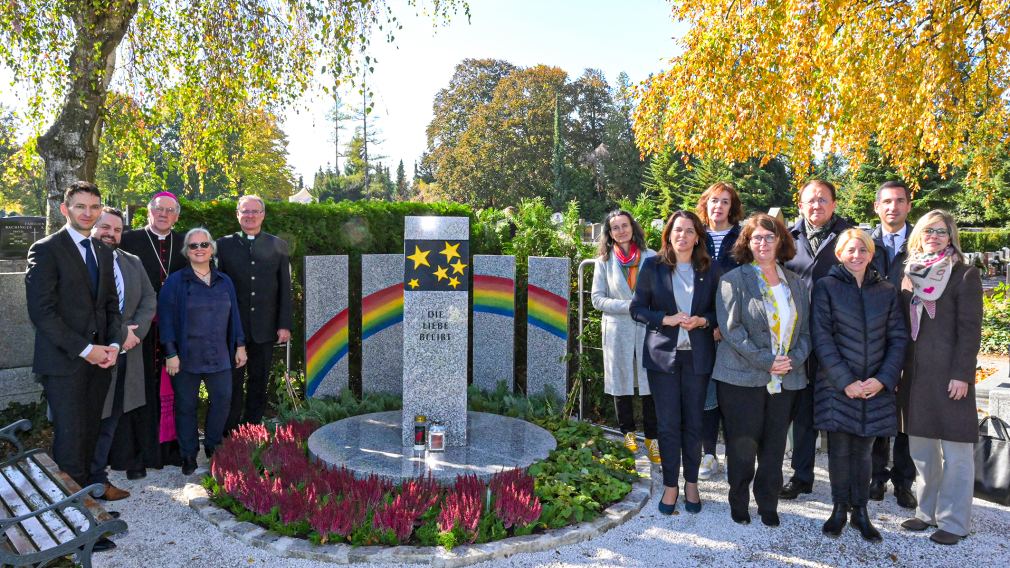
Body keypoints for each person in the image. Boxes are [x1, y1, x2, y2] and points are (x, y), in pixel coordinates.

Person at [24, 182, 122, 552]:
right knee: (69, 441)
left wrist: (111, 345)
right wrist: (86, 350)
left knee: (89, 437)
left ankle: (85, 510)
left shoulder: (103, 250)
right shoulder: (46, 250)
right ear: (65, 209)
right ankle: (76, 528)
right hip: (64, 363)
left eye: (94, 207)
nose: (87, 213)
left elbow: (111, 307)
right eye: (80, 206)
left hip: (100, 362)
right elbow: (42, 313)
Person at [713, 213, 811, 527]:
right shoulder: (733, 280)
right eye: (757, 237)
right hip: (742, 376)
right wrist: (766, 360)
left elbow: (807, 332)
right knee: (743, 444)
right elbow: (732, 330)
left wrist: (793, 358)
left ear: (781, 241)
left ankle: (768, 502)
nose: (763, 243)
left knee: (774, 444)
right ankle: (738, 500)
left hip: (787, 376)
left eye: (770, 237)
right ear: (747, 242)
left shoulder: (795, 283)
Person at [811, 229, 907, 542]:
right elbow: (822, 338)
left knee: (865, 452)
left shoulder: (887, 290)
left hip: (874, 386)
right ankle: (839, 509)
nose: (857, 255)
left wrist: (883, 379)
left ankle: (860, 512)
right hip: (838, 386)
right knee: (839, 451)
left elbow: (898, 338)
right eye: (850, 250)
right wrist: (845, 381)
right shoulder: (826, 287)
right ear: (840, 254)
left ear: (871, 254)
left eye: (862, 250)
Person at [897, 210, 982, 546]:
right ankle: (926, 511)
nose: (933, 235)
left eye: (941, 231)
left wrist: (963, 374)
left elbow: (970, 330)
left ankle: (955, 520)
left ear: (951, 236)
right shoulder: (909, 275)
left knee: (957, 451)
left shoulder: (964, 274)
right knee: (923, 449)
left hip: (950, 376)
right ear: (918, 235)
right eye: (927, 230)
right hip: (916, 376)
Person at [630, 211, 719, 515]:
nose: (682, 236)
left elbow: (719, 312)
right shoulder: (652, 267)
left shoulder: (710, 269)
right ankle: (671, 485)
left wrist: (704, 321)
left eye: (689, 231)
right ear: (668, 234)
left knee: (694, 422)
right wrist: (664, 319)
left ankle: (692, 483)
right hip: (662, 358)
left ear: (698, 237)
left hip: (697, 357)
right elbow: (637, 309)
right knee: (668, 425)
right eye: (677, 230)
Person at [781, 179, 853, 500]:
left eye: (823, 200)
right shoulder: (788, 239)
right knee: (803, 409)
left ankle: (849, 477)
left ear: (834, 204)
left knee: (840, 405)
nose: (816, 206)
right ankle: (802, 475)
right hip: (800, 339)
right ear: (800, 204)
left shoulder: (849, 237)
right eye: (810, 200)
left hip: (838, 339)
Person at [159, 228, 247, 475]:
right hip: (185, 357)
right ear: (187, 252)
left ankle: (212, 445)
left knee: (222, 401)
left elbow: (235, 316)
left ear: (212, 249)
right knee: (186, 405)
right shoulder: (175, 282)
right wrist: (170, 353)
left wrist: (240, 346)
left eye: (204, 245)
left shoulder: (224, 281)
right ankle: (188, 454)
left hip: (219, 354)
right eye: (194, 245)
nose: (199, 249)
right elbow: (165, 320)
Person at [114, 191, 187, 478]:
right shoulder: (129, 240)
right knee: (136, 390)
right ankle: (136, 453)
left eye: (170, 210)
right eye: (159, 208)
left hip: (174, 332)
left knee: (174, 390)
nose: (164, 214)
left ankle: (171, 450)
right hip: (138, 330)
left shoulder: (184, 244)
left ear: (177, 216)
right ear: (149, 212)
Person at [89, 207, 157, 502]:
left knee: (112, 419)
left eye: (117, 230)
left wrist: (134, 333)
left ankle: (97, 480)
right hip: (93, 356)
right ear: (92, 226)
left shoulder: (132, 261)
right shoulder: (82, 261)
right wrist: (117, 335)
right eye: (105, 227)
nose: (111, 234)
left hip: (127, 355)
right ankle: (82, 483)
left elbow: (148, 298)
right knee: (90, 421)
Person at [216, 195, 293, 433]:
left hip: (265, 327)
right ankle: (229, 431)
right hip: (232, 327)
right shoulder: (222, 245)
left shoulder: (277, 245)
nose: (250, 216)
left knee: (259, 381)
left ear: (263, 215)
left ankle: (251, 428)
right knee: (232, 382)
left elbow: (284, 288)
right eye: (245, 211)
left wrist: (284, 324)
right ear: (237, 214)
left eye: (255, 211)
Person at [591, 210, 659, 462]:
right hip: (617, 329)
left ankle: (653, 439)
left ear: (633, 227)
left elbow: (661, 293)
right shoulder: (604, 261)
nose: (621, 231)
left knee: (649, 384)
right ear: (609, 233)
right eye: (615, 227)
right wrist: (629, 306)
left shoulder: (651, 257)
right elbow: (597, 299)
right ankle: (628, 435)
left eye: (625, 225)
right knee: (621, 383)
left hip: (646, 329)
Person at [867, 180, 917, 509]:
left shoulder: (921, 242)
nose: (892, 207)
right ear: (876, 207)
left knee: (906, 414)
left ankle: (903, 480)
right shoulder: (865, 244)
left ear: (909, 206)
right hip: (873, 339)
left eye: (899, 201)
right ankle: (875, 476)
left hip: (913, 339)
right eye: (886, 201)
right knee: (874, 408)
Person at [696, 182, 744, 480]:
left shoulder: (742, 237)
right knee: (706, 394)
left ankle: (737, 458)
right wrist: (708, 323)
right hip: (701, 326)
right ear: (706, 203)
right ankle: (709, 453)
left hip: (734, 328)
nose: (719, 207)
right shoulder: (695, 234)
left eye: (725, 202)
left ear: (732, 207)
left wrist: (726, 326)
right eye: (714, 201)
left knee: (733, 394)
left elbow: (748, 284)